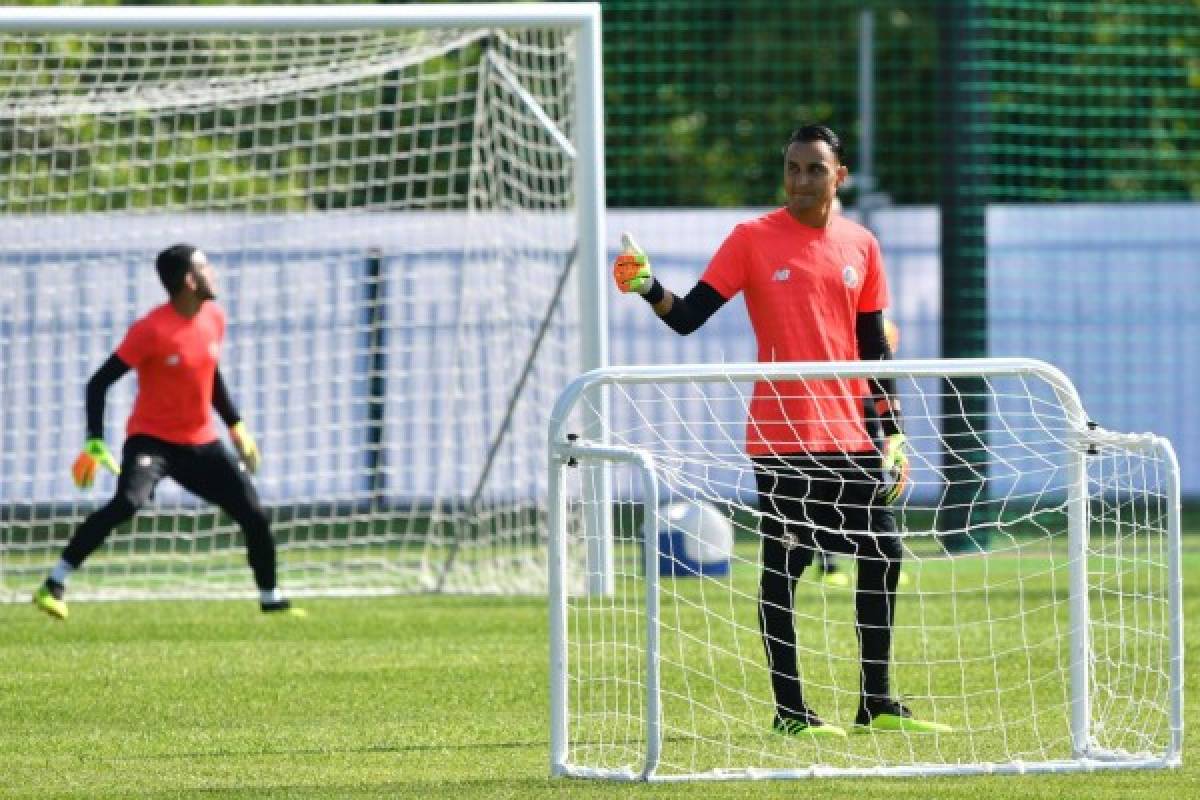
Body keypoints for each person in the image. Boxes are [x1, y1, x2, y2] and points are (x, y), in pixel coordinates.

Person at [614, 124, 947, 737]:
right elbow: (688, 317)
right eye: (792, 168)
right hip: (782, 436)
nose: (799, 180)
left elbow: (876, 349)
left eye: (813, 169)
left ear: (837, 176)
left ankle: (875, 701)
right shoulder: (751, 239)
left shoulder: (861, 245)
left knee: (885, 553)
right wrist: (647, 287)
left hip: (852, 437)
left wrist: (894, 434)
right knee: (784, 566)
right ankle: (790, 711)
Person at [32, 244, 305, 620]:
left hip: (201, 443)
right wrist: (94, 441)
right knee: (128, 503)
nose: (214, 273)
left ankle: (271, 598)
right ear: (189, 280)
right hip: (152, 441)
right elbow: (97, 384)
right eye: (206, 267)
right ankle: (54, 583)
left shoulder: (214, 318)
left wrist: (236, 425)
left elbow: (209, 375)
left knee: (253, 512)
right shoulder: (151, 330)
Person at [815, 317, 908, 589]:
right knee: (825, 493)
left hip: (868, 424)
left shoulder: (882, 328)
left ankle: (879, 558)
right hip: (837, 422)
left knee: (874, 492)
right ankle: (827, 564)